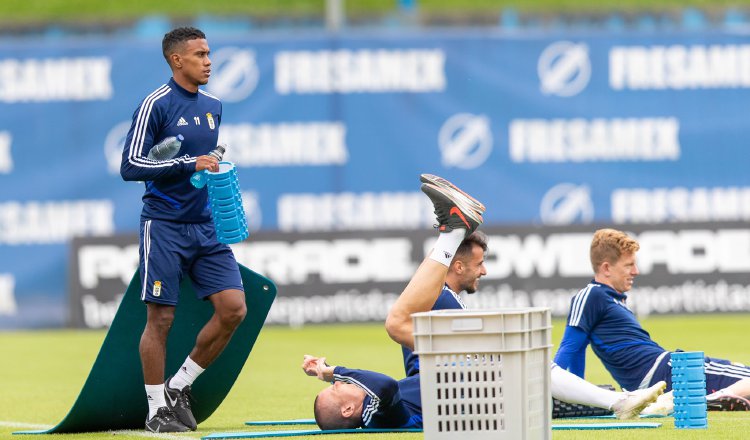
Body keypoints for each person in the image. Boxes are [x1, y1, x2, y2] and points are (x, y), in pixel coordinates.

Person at [304, 175, 665, 430]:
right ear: (350, 408)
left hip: (456, 388)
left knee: (532, 369)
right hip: (458, 392)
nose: (485, 272)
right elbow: (383, 385)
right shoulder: (378, 411)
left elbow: (403, 380)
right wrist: (335, 373)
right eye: (479, 264)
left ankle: (622, 400)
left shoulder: (379, 406)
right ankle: (453, 229)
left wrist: (333, 373)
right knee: (399, 326)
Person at [120, 27, 247, 433]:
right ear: (177, 60)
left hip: (205, 227)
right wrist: (189, 164)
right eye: (200, 54)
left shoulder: (214, 105)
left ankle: (179, 386)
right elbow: (130, 166)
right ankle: (156, 409)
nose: (209, 61)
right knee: (161, 320)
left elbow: (203, 162)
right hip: (165, 225)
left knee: (234, 309)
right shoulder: (156, 104)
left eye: (209, 53)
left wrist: (213, 171)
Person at [554, 228, 750, 415]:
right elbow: (570, 347)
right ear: (606, 268)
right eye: (629, 265)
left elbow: (578, 349)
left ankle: (717, 397)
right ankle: (711, 399)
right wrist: (556, 392)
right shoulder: (592, 295)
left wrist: (576, 396)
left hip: (660, 375)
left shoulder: (609, 298)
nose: (636, 271)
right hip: (665, 371)